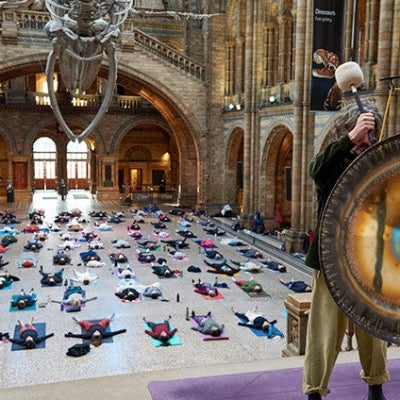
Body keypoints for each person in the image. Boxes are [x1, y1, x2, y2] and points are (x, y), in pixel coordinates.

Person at [303, 103, 389, 400]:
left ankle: (375, 385)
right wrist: (351, 138)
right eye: (361, 139)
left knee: (372, 329)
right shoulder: (334, 161)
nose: (366, 145)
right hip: (330, 258)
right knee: (324, 329)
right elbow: (316, 170)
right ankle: (315, 390)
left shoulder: (376, 164)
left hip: (368, 260)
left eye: (370, 139)